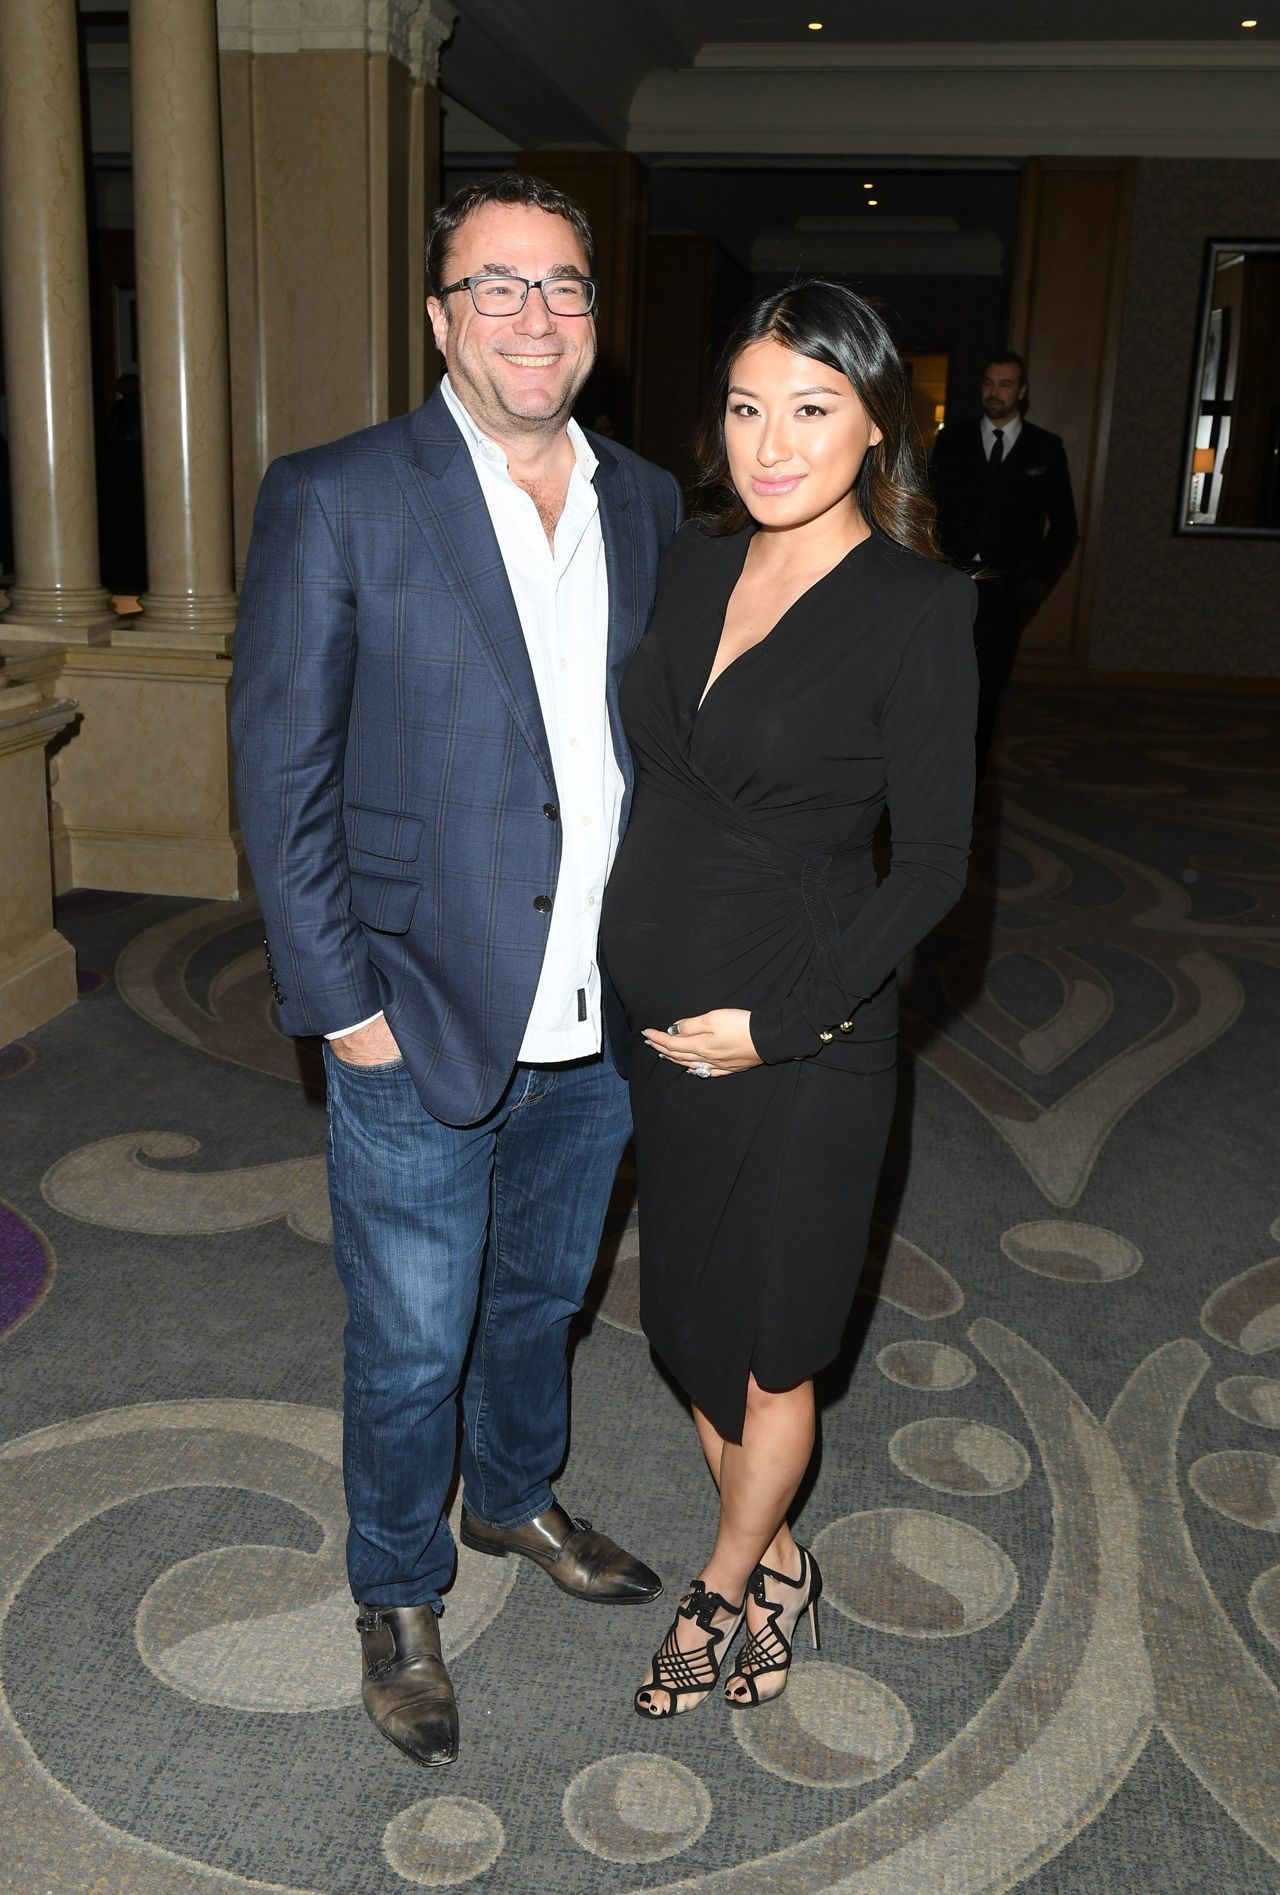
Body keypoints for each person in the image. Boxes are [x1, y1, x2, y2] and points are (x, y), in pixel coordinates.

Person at [230, 172, 682, 1768]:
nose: (533, 316)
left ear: (594, 316)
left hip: (605, 1009)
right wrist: (343, 1010)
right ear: (439, 318)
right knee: (413, 1334)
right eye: (497, 285)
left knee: (545, 1297)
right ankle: (397, 1585)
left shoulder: (648, 499)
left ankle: (513, 1494)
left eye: (562, 286)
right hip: (414, 1005)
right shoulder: (339, 494)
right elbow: (280, 774)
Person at [600, 279, 978, 1719]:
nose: (770, 442)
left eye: (811, 408)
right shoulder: (691, 562)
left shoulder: (919, 608)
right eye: (747, 406)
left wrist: (782, 1022)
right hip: (661, 1027)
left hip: (803, 1033)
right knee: (684, 1324)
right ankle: (784, 1559)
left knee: (772, 1342)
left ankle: (725, 1581)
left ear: (876, 423)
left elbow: (931, 865)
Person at [928, 351, 1077, 773]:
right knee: (937, 682)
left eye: (1006, 384)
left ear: (1022, 392)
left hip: (1005, 590)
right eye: (989, 383)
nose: (995, 392)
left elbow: (1065, 528)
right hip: (949, 581)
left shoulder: (1045, 448)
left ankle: (970, 779)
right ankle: (931, 770)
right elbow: (926, 509)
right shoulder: (952, 440)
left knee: (986, 689)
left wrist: (1032, 586)